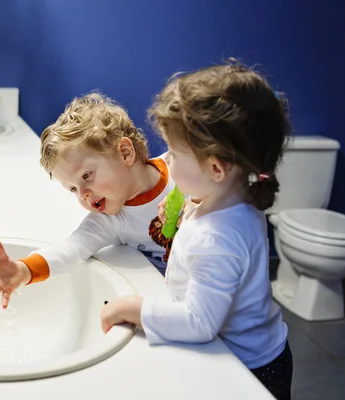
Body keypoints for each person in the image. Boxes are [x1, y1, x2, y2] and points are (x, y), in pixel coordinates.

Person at [100, 61, 293, 399]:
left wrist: (133, 308)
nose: (167, 161)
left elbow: (200, 323)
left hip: (247, 368)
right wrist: (192, 207)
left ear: (216, 168)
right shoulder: (235, 197)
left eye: (174, 154)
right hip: (260, 350)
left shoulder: (215, 238)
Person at [0, 92, 184, 307]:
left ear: (125, 153)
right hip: (170, 300)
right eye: (73, 189)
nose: (83, 194)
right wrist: (24, 270)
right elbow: (72, 248)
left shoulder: (186, 172)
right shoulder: (111, 219)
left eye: (87, 176)